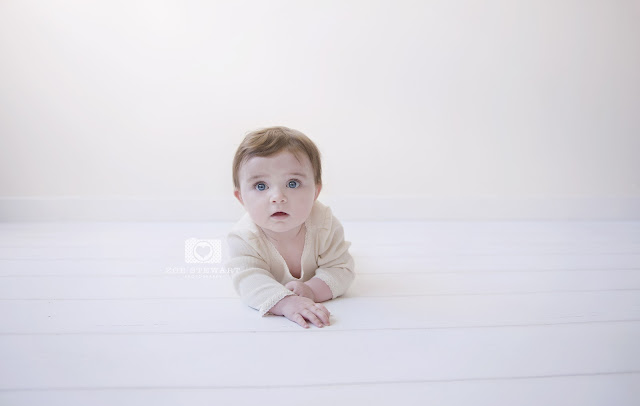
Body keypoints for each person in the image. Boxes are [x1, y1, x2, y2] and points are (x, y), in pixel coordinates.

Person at [226, 126, 355, 328]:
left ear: (316, 191)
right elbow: (248, 280)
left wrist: (312, 290)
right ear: (241, 197)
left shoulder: (324, 225)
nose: (277, 197)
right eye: (261, 186)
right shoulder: (244, 237)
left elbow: (341, 269)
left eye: (293, 183)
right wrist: (285, 302)